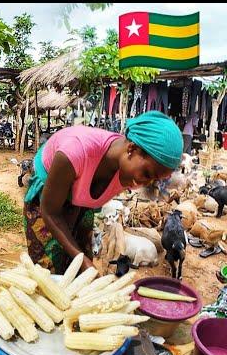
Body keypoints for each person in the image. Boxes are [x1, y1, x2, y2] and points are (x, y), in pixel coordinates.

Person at [24, 111, 183, 275]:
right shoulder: (74, 152)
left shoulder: (131, 172)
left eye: (155, 180)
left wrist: (81, 259)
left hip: (80, 200)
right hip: (48, 197)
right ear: (132, 148)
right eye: (147, 174)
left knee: (79, 272)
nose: (147, 183)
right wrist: (82, 259)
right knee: (48, 271)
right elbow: (50, 212)